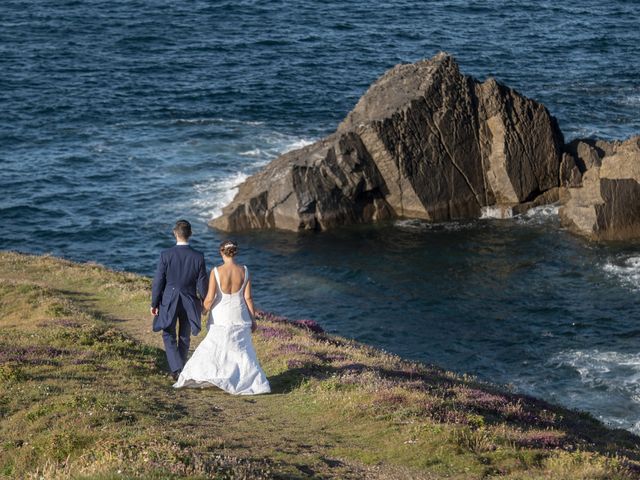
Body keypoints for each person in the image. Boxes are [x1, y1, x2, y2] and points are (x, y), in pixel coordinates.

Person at [173, 240, 271, 395]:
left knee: (213, 347)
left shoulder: (216, 272)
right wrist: (253, 319)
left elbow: (210, 298)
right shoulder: (245, 271)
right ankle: (246, 381)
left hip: (220, 316)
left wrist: (203, 311)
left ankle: (208, 375)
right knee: (241, 351)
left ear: (221, 252)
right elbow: (248, 298)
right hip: (240, 315)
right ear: (235, 252)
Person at [151, 220, 208, 381]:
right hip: (190, 300)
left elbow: (158, 282)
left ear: (175, 233)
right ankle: (180, 368)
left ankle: (177, 369)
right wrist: (205, 302)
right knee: (185, 335)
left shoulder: (165, 255)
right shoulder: (198, 256)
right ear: (190, 234)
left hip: (169, 300)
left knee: (168, 334)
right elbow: (202, 283)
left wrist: (154, 303)